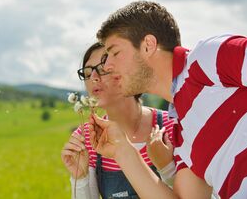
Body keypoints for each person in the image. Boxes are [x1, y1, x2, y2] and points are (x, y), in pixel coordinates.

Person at [89, 0, 247, 199]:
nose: (107, 66)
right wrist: (122, 150)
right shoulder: (181, 135)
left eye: (115, 53)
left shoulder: (206, 59)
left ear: (148, 46)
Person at [61, 42, 175, 199]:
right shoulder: (89, 136)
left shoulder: (171, 126)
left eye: (102, 69)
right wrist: (81, 178)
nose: (93, 78)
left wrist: (167, 168)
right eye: (87, 73)